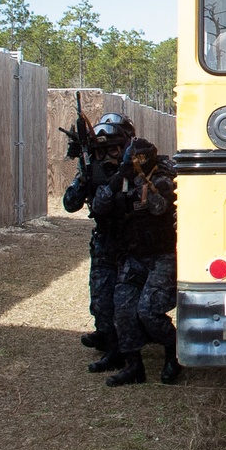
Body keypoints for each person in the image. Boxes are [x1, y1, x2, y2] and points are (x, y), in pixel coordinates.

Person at [92, 137, 182, 386]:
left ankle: (173, 353)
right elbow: (100, 206)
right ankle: (134, 367)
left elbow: (157, 207)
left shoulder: (162, 181)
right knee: (123, 310)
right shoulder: (121, 181)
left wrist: (141, 182)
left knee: (148, 311)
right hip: (134, 257)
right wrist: (116, 180)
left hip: (161, 257)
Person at [62, 112, 136, 373]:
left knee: (127, 304)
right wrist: (84, 180)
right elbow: (69, 204)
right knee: (102, 303)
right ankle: (111, 347)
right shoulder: (91, 169)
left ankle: (129, 350)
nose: (108, 156)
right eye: (103, 150)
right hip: (105, 242)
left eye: (114, 149)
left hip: (133, 244)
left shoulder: (137, 167)